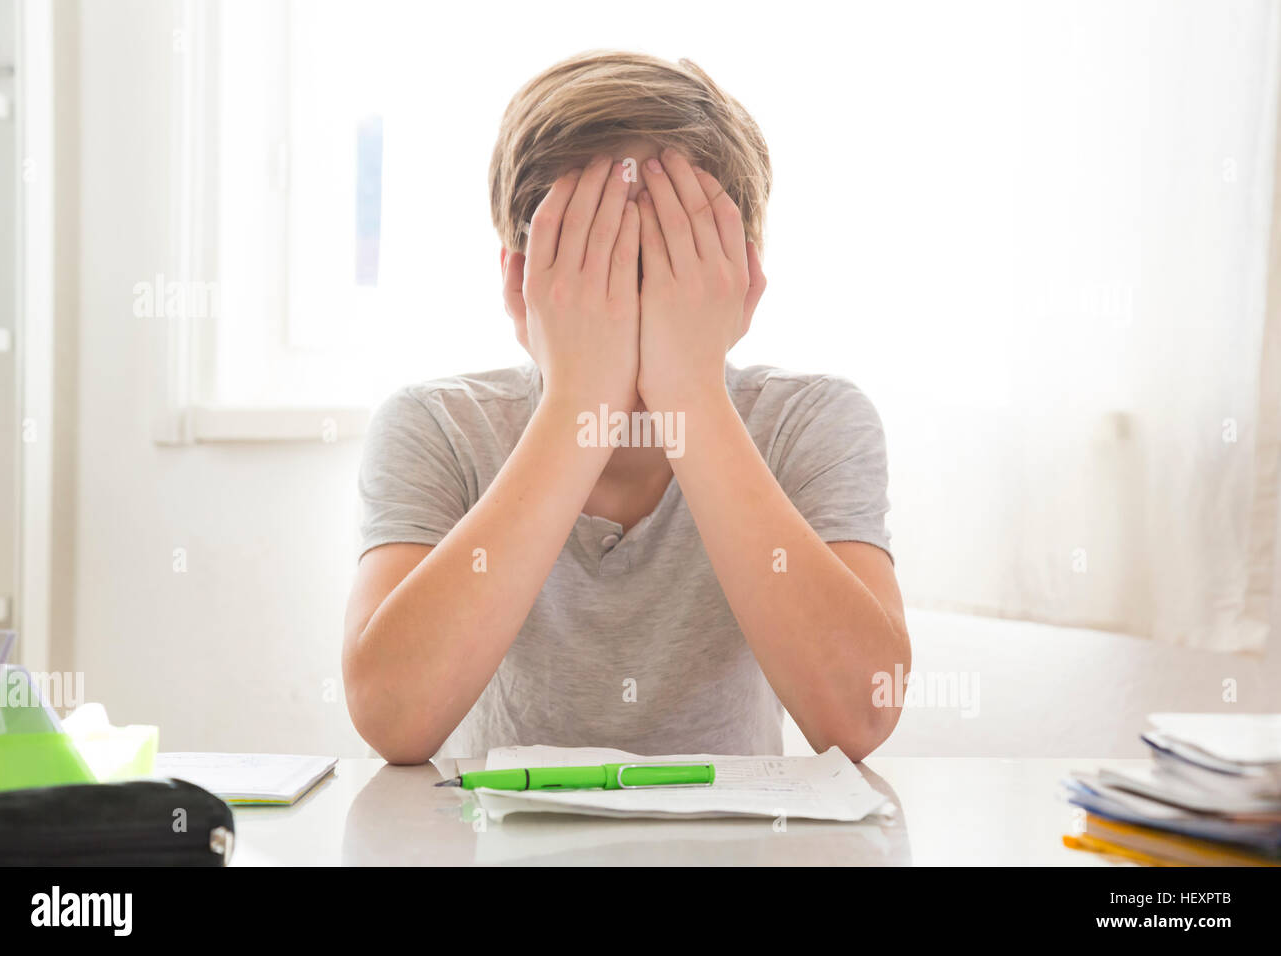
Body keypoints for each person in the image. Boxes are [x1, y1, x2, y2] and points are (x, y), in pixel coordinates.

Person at [342, 51, 910, 764]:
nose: (632, 310)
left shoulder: (811, 421)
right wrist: (578, 403)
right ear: (520, 284)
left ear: (744, 283)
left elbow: (860, 715)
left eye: (669, 265)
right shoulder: (438, 426)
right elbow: (393, 719)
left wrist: (692, 396)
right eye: (593, 264)